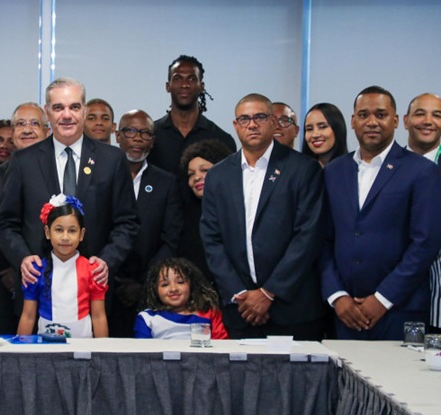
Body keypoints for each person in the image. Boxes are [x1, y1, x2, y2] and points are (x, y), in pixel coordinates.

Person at [0, 78, 139, 299]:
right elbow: (6, 223)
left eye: (74, 107)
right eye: (58, 108)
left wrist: (106, 262)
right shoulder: (23, 161)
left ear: (84, 110)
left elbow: (127, 222)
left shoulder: (112, 160)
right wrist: (23, 258)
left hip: (94, 289)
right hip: (37, 288)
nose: (67, 115)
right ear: (47, 112)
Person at [200, 93, 327, 340]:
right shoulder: (218, 175)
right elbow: (211, 239)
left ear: (273, 122)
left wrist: (269, 292)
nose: (252, 124)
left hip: (292, 310)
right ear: (235, 125)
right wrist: (240, 293)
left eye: (259, 117)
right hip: (240, 310)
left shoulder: (303, 169)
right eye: (244, 119)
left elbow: (308, 236)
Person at [321, 86, 441, 340]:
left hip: (400, 311)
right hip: (344, 313)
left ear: (395, 121)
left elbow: (425, 244)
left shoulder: (422, 171)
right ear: (353, 121)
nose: (372, 122)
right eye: (363, 115)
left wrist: (383, 298)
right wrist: (337, 296)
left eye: (381, 114)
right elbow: (322, 240)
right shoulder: (334, 171)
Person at [110, 109, 182, 337]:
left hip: (150, 290)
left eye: (145, 133)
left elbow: (171, 238)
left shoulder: (166, 182)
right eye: (131, 131)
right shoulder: (102, 177)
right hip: (105, 285)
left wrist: (145, 282)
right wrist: (112, 277)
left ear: (153, 140)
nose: (138, 138)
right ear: (118, 135)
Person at [0, 103, 49, 334]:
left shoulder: (59, 169)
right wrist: (8, 269)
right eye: (20, 124)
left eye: (34, 123)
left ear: (47, 131)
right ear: (13, 132)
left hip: (52, 284)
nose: (27, 129)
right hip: (4, 285)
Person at [17, 195, 108, 338]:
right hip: (46, 346)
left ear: (81, 234)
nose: (65, 237)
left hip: (84, 346)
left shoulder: (92, 270)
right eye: (59, 230)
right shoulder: (36, 270)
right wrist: (20, 349)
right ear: (48, 232)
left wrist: (103, 349)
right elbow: (28, 316)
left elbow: (99, 316)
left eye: (72, 231)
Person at [148, 55, 236, 175]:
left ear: (201, 86)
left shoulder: (222, 139)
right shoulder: (150, 136)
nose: (185, 84)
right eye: (177, 78)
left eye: (192, 79)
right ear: (168, 86)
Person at [403, 93, 441, 333]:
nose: (428, 121)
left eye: (437, 115)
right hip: (392, 299)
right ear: (405, 121)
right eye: (420, 114)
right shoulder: (385, 164)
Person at [178, 140, 233, 280]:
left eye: (204, 170)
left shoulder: (239, 210)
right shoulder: (185, 217)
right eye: (190, 174)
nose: (196, 178)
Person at [134, 258, 227, 339]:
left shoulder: (208, 313)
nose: (173, 289)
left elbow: (221, 347)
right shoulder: (147, 318)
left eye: (180, 282)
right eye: (165, 284)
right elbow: (143, 351)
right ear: (155, 289)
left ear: (192, 285)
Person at [302, 103, 349, 167]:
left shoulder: (354, 168)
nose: (315, 135)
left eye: (322, 127)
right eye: (309, 129)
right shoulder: (300, 169)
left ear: (338, 129)